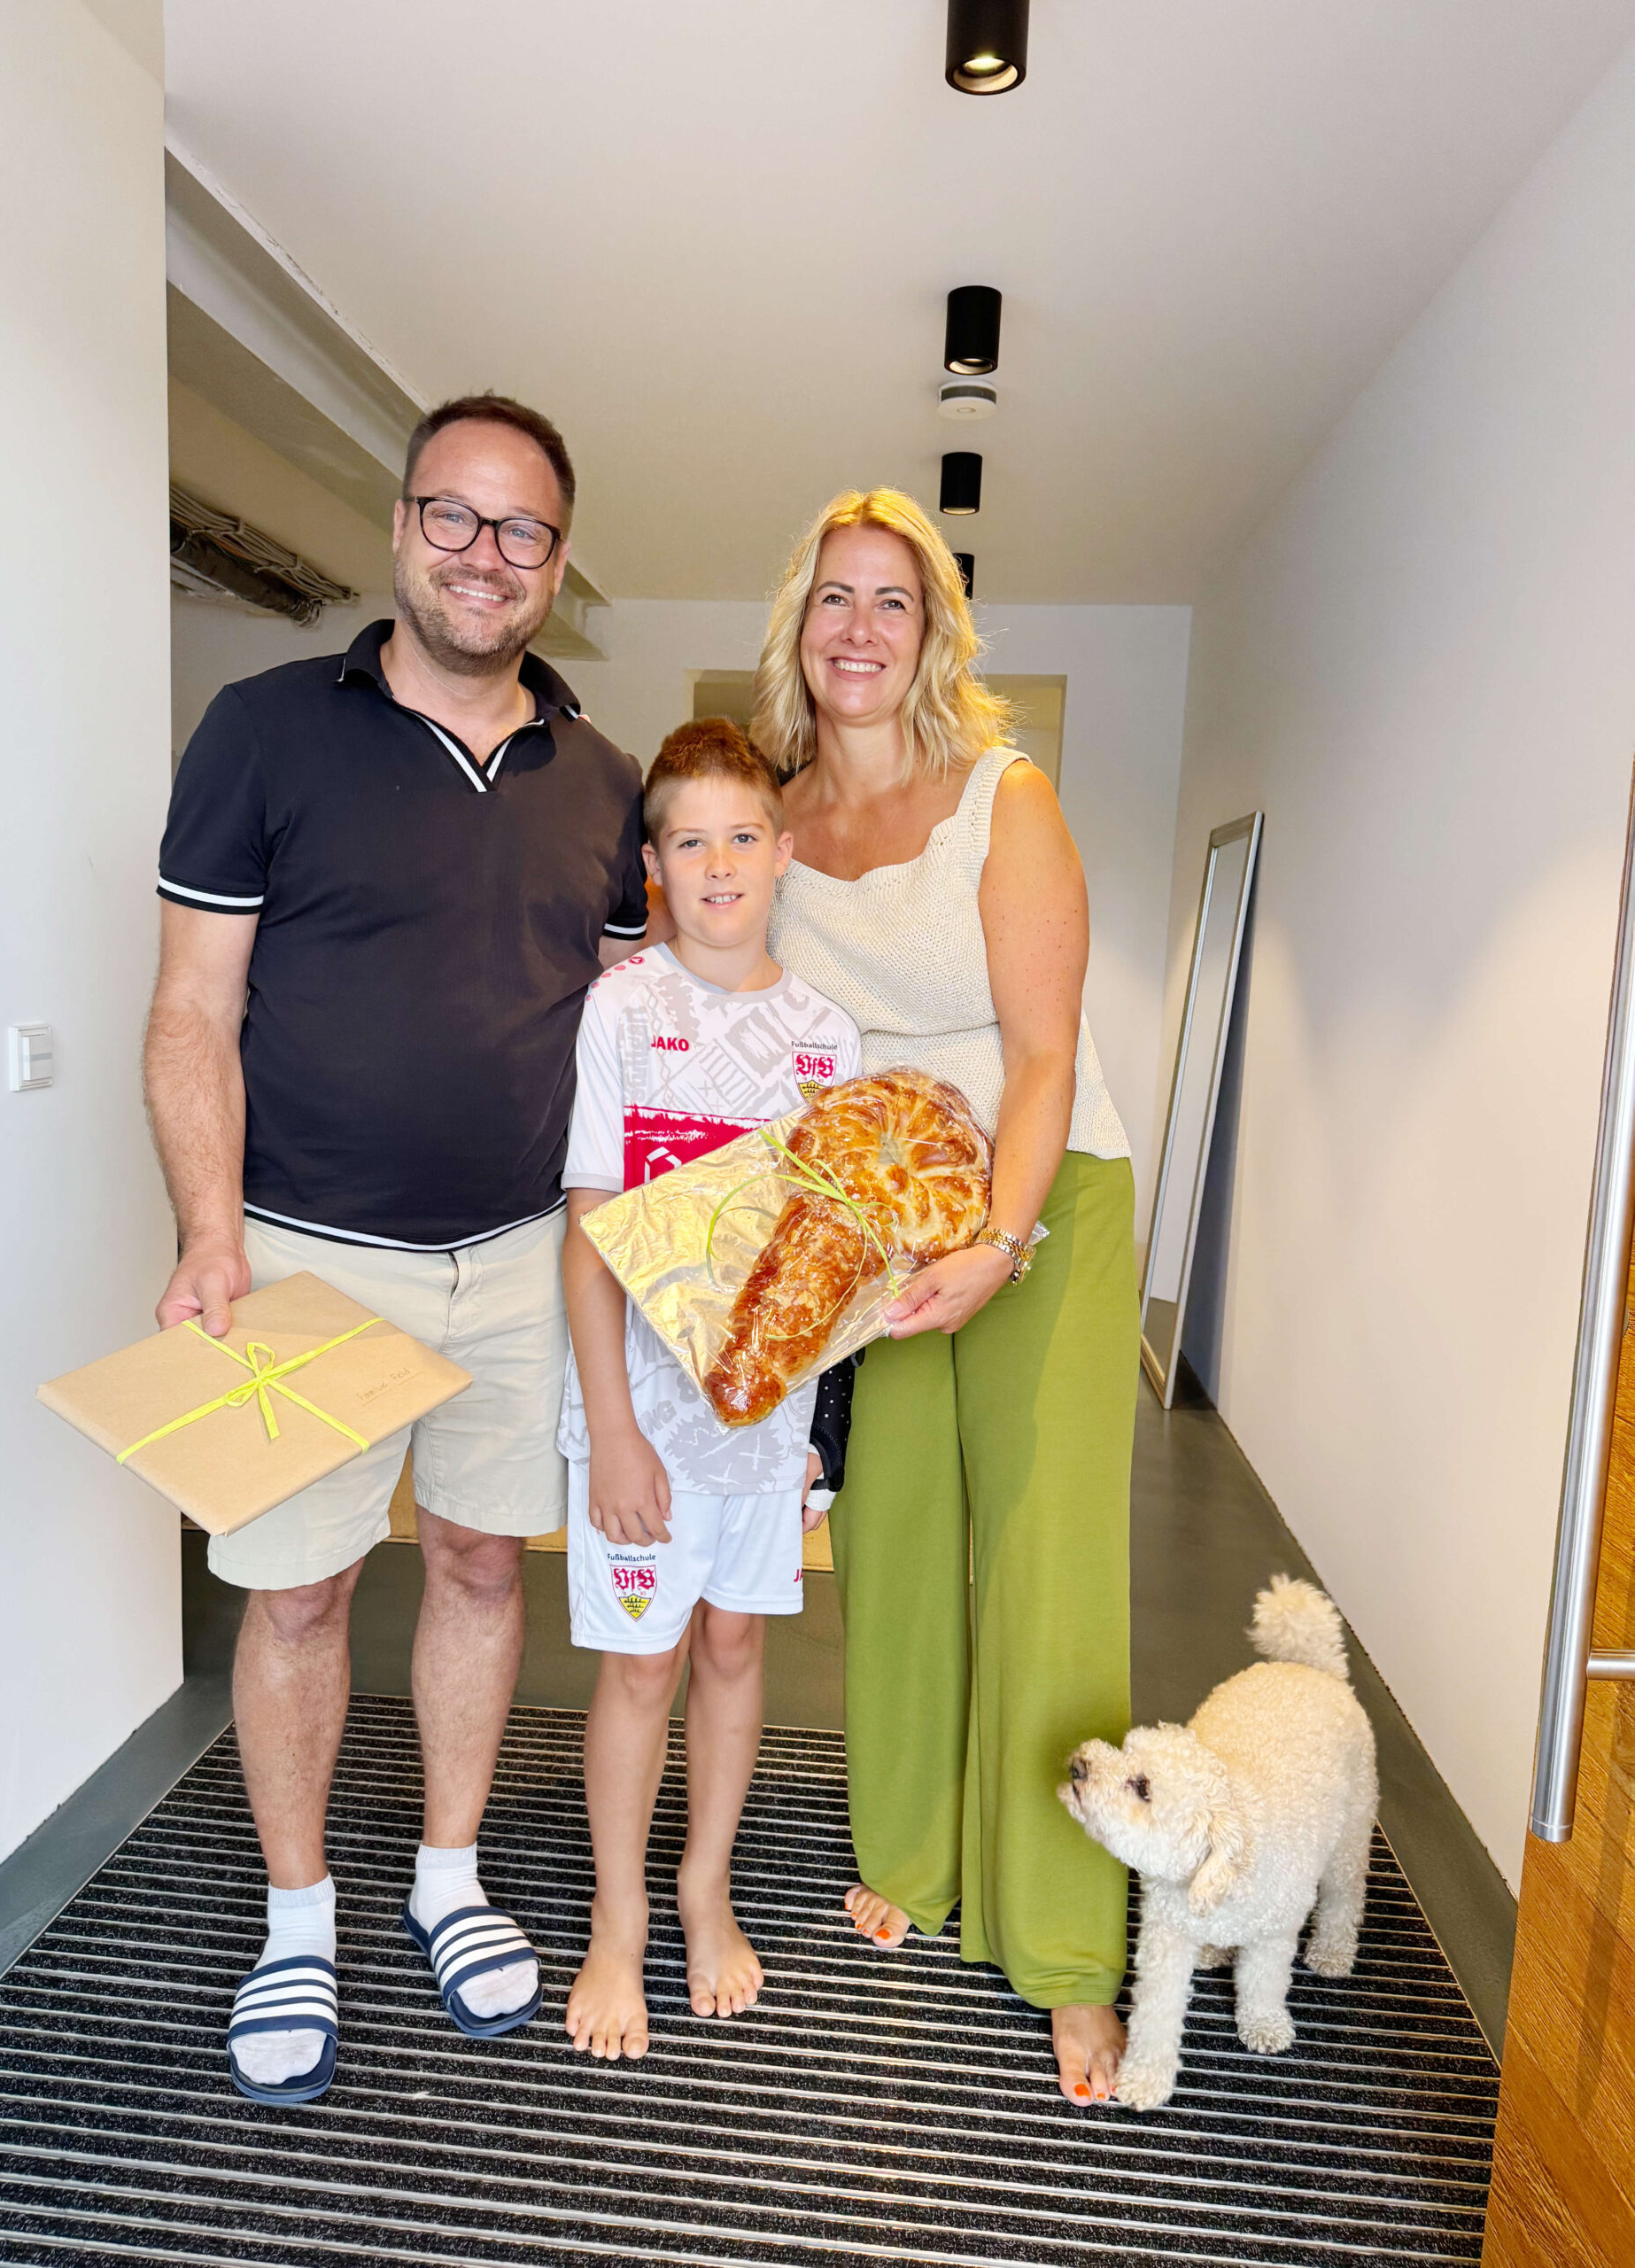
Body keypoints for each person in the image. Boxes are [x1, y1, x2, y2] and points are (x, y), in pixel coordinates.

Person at [144, 393, 651, 2105]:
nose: (484, 555)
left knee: (486, 1569)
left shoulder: (607, 780)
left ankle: (448, 1874)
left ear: (558, 562)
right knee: (299, 1590)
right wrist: (209, 1234)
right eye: (455, 515)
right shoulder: (263, 730)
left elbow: (641, 1031)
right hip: (306, 1256)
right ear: (400, 525)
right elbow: (191, 1011)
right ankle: (297, 1918)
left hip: (522, 1256)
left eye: (522, 530)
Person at [753, 489, 1139, 2105]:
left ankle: (1066, 1951)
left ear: (934, 637)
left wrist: (1000, 1242)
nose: (858, 628)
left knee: (1042, 1560)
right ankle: (913, 1849)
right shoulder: (769, 821)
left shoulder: (1003, 798)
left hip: (1047, 1203)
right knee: (898, 1536)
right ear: (798, 626)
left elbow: (1041, 1055)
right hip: (880, 1225)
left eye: (891, 602)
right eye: (834, 598)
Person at [557, 719, 862, 2062]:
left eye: (744, 836)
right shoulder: (623, 1011)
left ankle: (703, 1888)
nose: (721, 864)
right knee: (643, 1665)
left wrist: (821, 1438)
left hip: (765, 1429)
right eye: (691, 842)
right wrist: (614, 1431)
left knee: (734, 1647)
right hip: (639, 1424)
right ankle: (619, 1918)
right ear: (654, 866)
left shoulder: (827, 1037)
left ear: (785, 854)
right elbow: (590, 1237)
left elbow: (832, 1263)